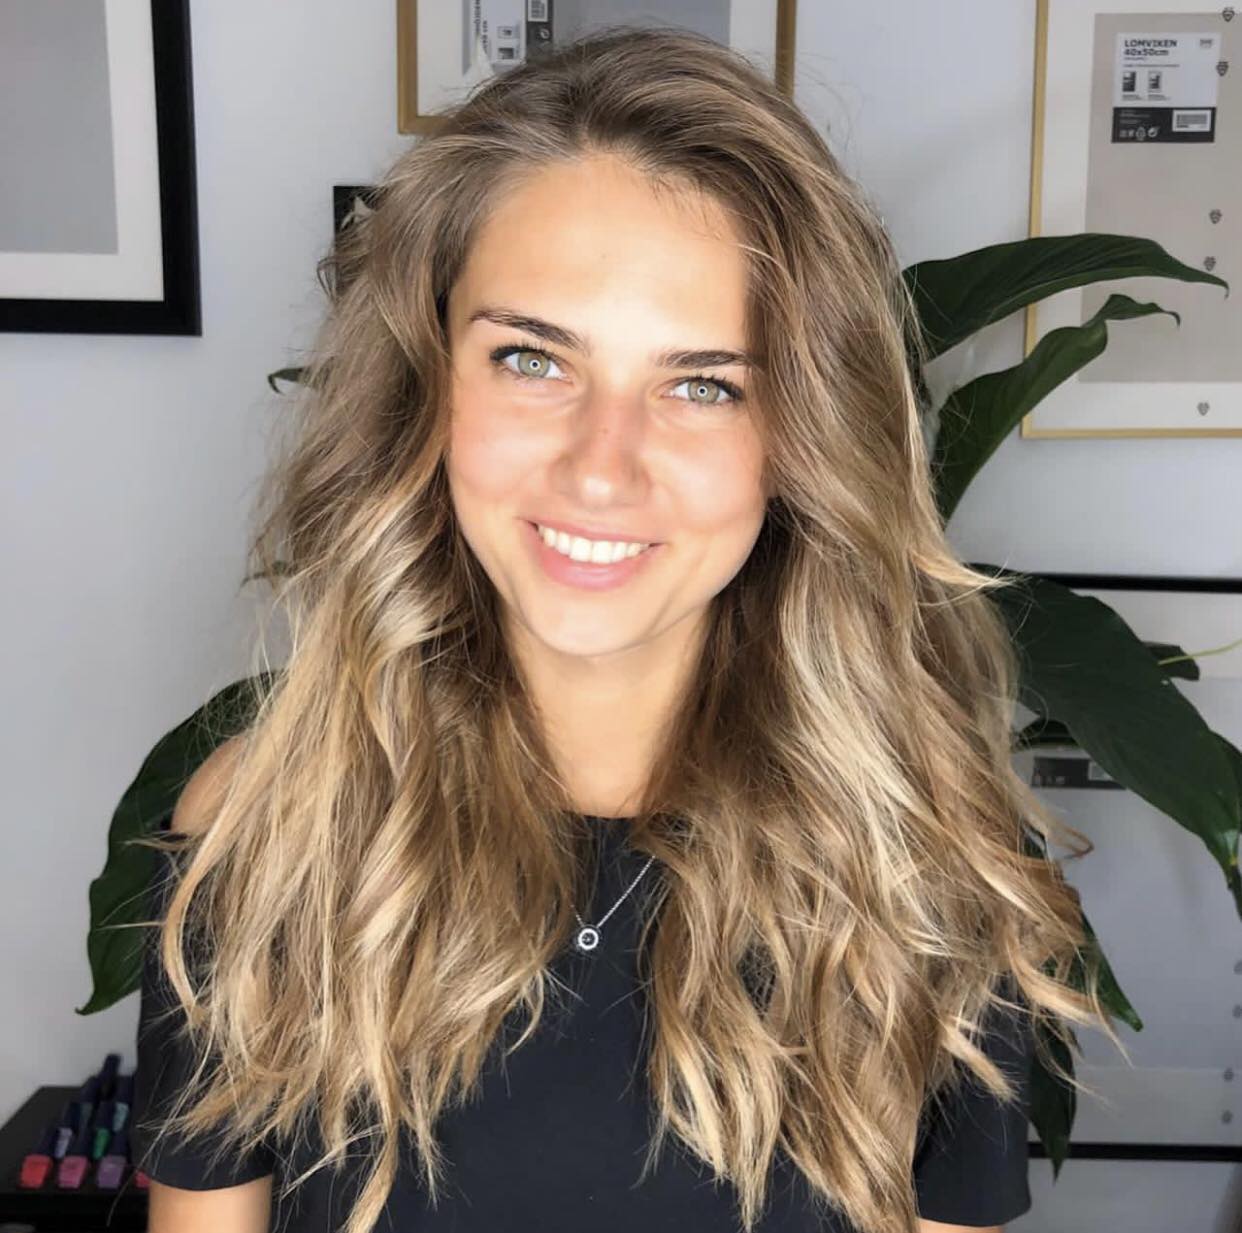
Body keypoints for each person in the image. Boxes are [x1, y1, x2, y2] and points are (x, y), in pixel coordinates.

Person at [129, 24, 1121, 1233]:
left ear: (801, 440)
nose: (603, 469)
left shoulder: (930, 875)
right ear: (424, 384)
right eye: (531, 359)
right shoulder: (265, 833)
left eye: (703, 384)